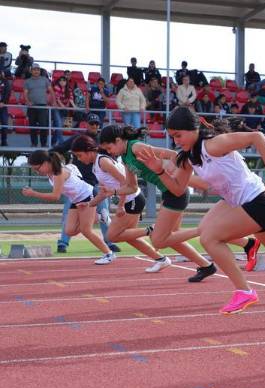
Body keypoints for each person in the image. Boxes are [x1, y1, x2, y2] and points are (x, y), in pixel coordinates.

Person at [133, 109, 265, 317]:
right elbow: (178, 189)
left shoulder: (213, 144)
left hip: (258, 202)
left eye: (178, 135)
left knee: (210, 237)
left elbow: (257, 136)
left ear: (193, 129)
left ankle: (244, 291)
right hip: (248, 205)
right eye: (172, 137)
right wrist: (160, 170)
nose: (176, 141)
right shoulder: (189, 157)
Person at [98, 124, 219, 283]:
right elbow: (131, 187)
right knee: (172, 239)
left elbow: (173, 154)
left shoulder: (136, 147)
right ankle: (206, 266)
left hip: (176, 192)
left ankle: (204, 230)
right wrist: (113, 192)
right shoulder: (126, 158)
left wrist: (176, 173)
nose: (108, 152)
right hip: (168, 193)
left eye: (109, 147)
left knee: (161, 239)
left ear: (119, 140)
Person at [70, 135, 172, 273]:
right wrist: (89, 205)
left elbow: (125, 182)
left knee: (112, 236)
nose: (79, 159)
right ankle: (161, 259)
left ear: (89, 150)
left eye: (79, 155)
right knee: (128, 236)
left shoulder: (103, 162)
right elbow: (103, 192)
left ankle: (152, 230)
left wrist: (120, 205)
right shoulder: (96, 166)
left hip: (133, 200)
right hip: (132, 200)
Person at [23, 150, 114, 265]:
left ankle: (109, 254)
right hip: (76, 200)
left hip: (88, 196)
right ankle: (98, 216)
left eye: (37, 168)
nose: (37, 172)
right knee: (69, 231)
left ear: (46, 163)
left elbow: (55, 196)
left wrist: (34, 194)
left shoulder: (59, 173)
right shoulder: (51, 172)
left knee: (86, 230)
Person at [52, 114, 118, 254]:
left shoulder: (102, 142)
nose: (94, 126)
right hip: (78, 185)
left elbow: (113, 158)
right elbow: (58, 149)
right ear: (86, 125)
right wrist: (57, 161)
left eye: (96, 124)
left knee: (104, 213)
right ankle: (63, 243)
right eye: (91, 123)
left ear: (99, 125)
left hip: (97, 185)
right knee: (68, 214)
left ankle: (109, 242)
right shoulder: (77, 139)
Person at [23, 63, 55, 147]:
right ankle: (34, 143)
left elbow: (51, 91)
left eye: (38, 69)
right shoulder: (27, 81)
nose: (36, 71)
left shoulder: (45, 79)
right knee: (32, 126)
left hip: (43, 106)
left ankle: (43, 144)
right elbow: (25, 93)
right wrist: (27, 101)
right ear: (31, 71)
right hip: (32, 106)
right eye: (34, 69)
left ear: (40, 71)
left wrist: (53, 101)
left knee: (43, 126)